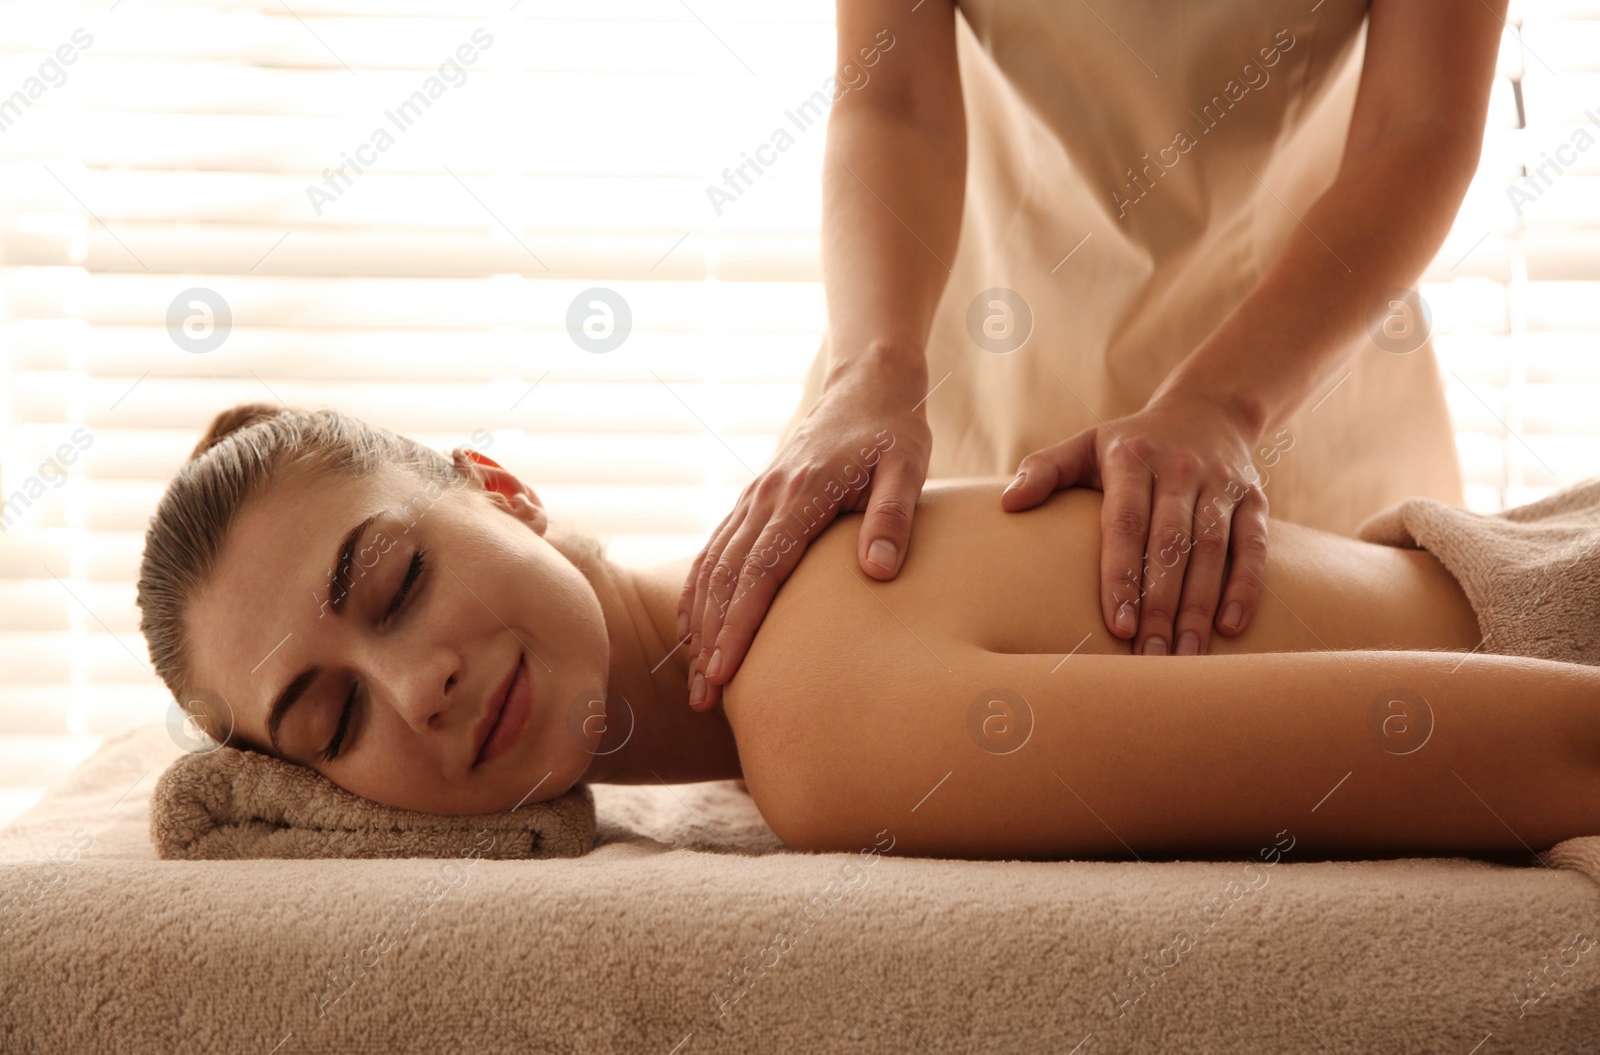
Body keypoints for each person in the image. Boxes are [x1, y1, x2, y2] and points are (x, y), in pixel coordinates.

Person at [135, 404, 1600, 862]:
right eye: (331, 725)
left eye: (390, 580)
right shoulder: (749, 740)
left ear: (504, 490)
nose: (419, 683)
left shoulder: (819, 714)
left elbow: (1567, 742)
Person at [677, 0, 1512, 715]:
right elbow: (889, 97)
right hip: (964, 380)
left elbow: (1422, 126)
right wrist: (867, 370)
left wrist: (1224, 404)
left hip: (1296, 394)